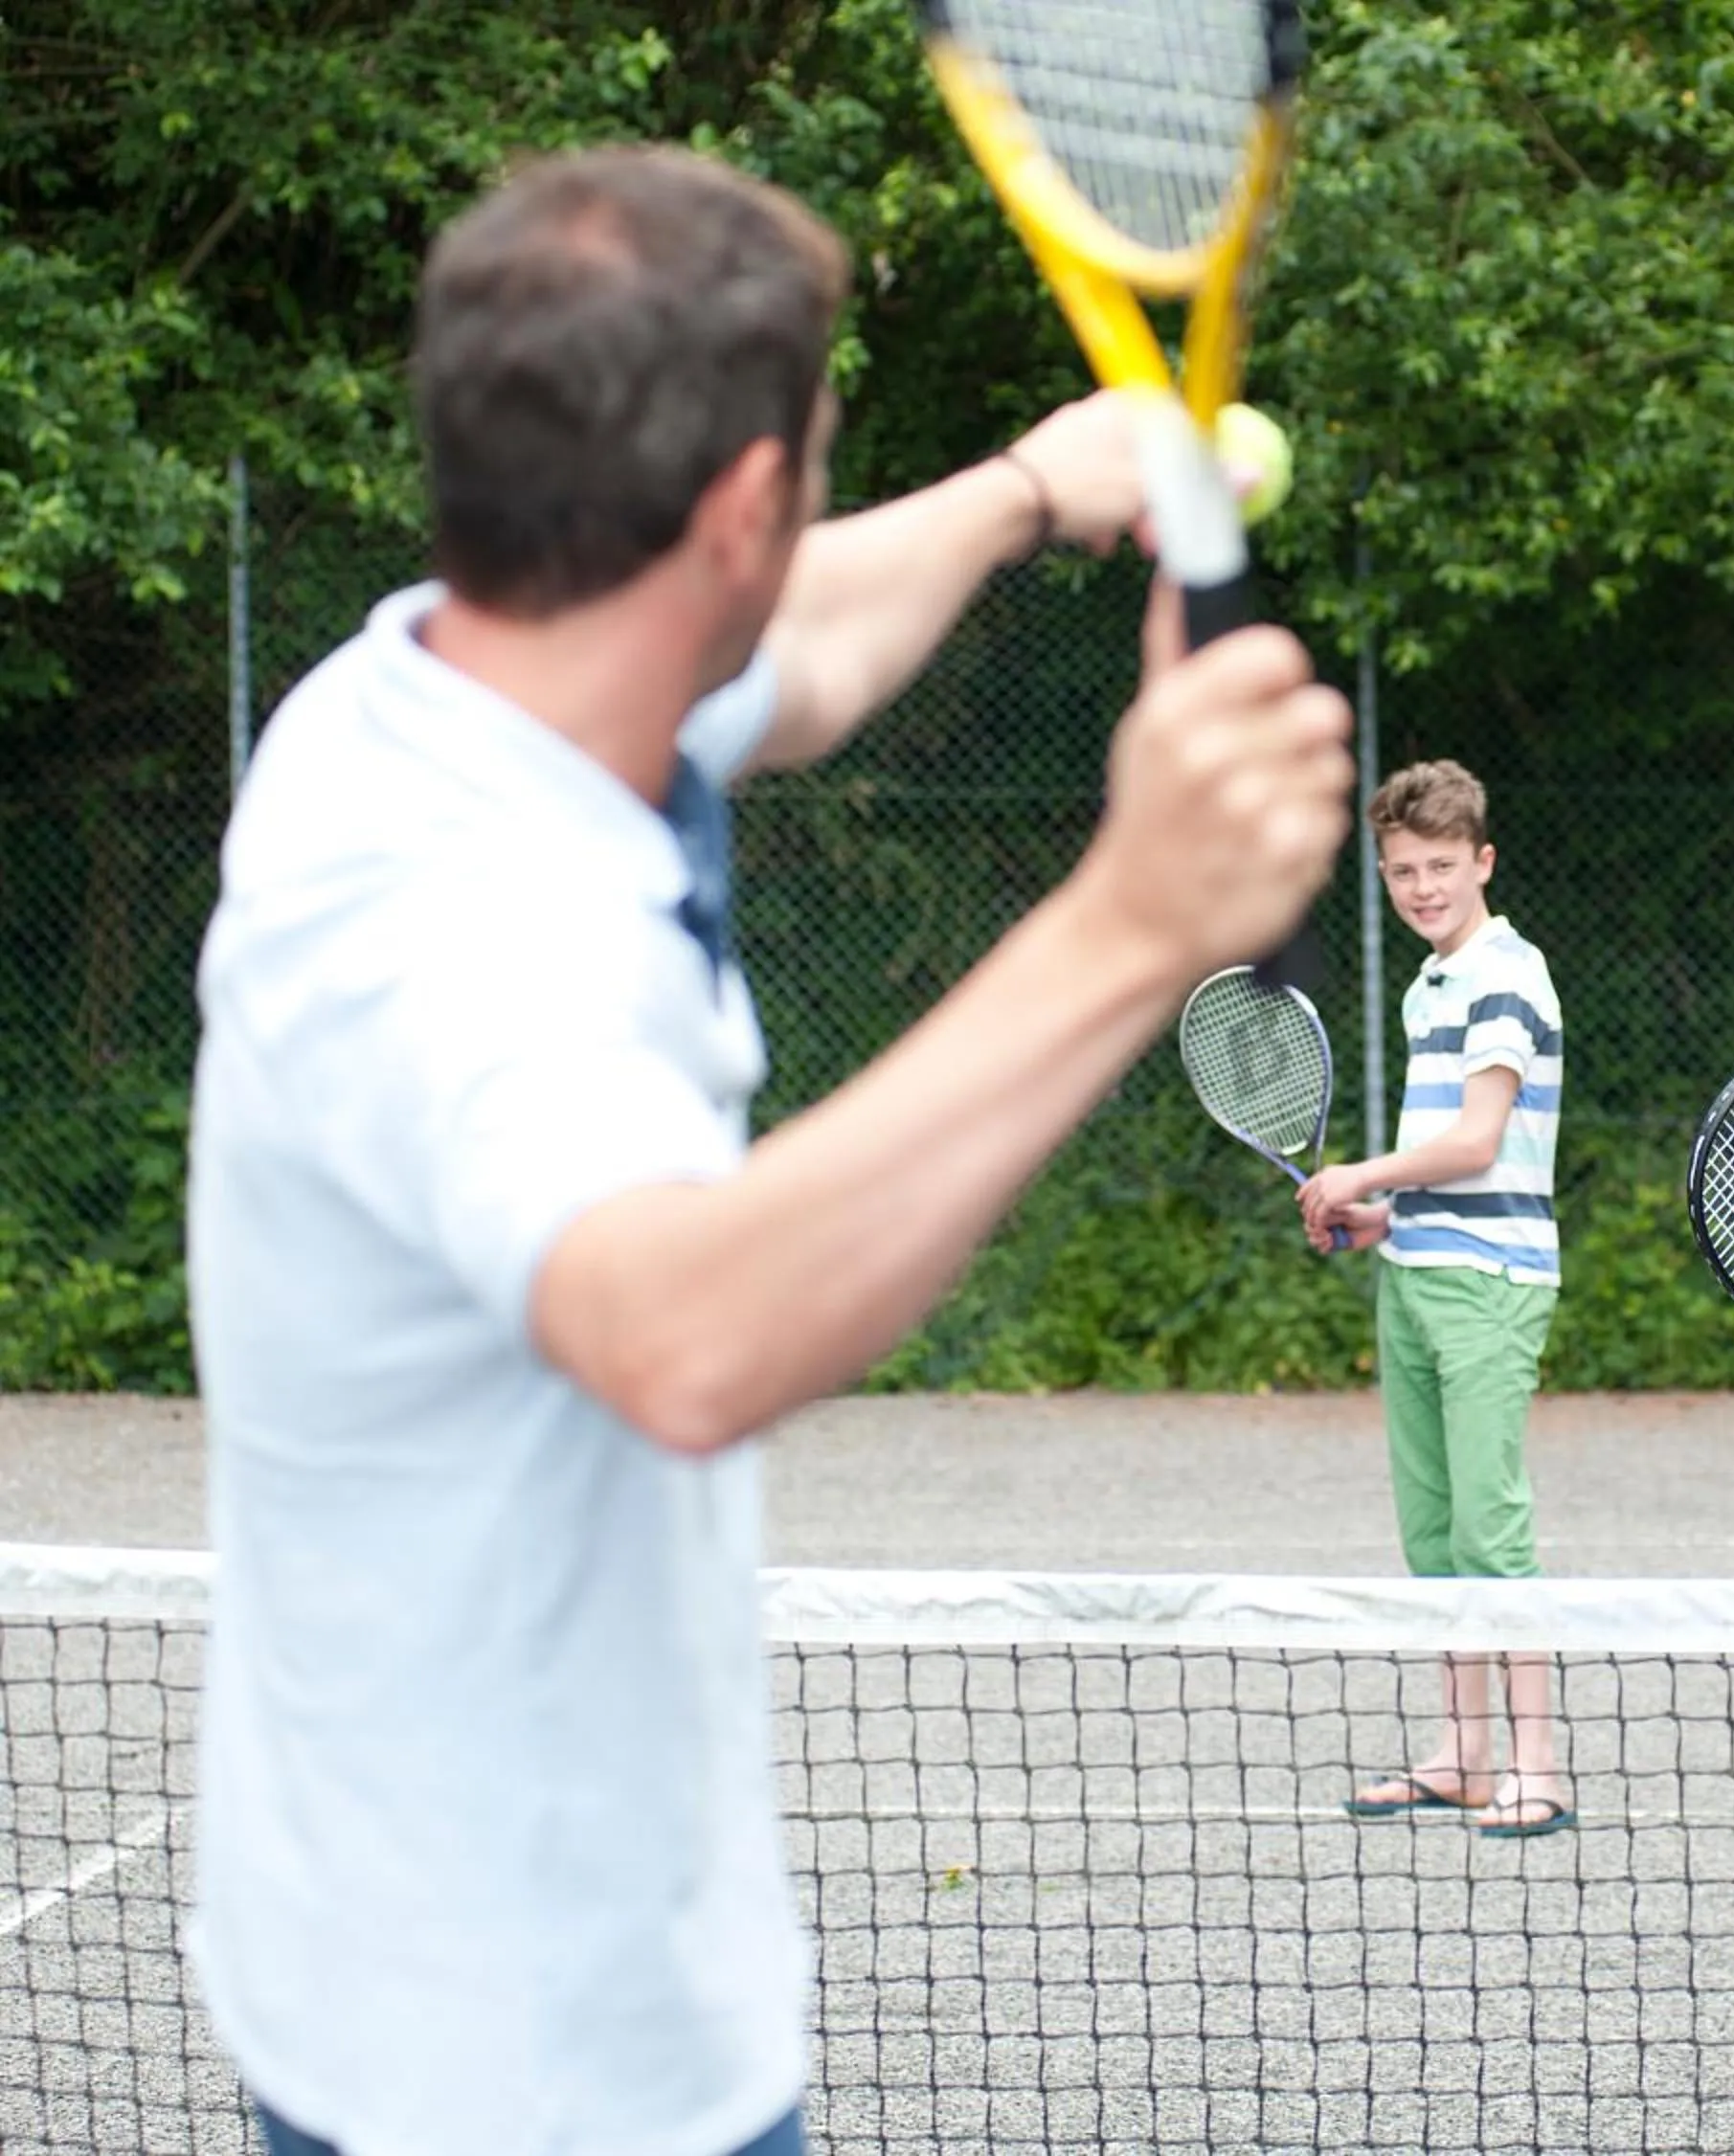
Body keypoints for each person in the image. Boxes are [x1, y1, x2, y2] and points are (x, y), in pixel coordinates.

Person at [185, 145, 1349, 2156]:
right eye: (809, 457)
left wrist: (1024, 493)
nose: (812, 503)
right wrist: (1133, 918)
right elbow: (683, 1331)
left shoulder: (447, 695)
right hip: (518, 2082)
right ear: (737, 502)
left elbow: (788, 649)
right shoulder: (445, 918)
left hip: (493, 2001)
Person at [1294, 759, 1570, 1839]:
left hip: (1492, 1289)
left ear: (1483, 861)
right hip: (1415, 1275)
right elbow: (1440, 1168)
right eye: (1403, 869)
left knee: (1492, 1528)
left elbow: (1478, 1140)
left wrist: (1361, 1175)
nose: (1422, 886)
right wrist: (1382, 1218)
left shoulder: (1510, 972)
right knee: (1435, 1530)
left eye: (1441, 866)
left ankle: (1536, 1768)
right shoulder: (1429, 984)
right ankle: (1462, 1755)